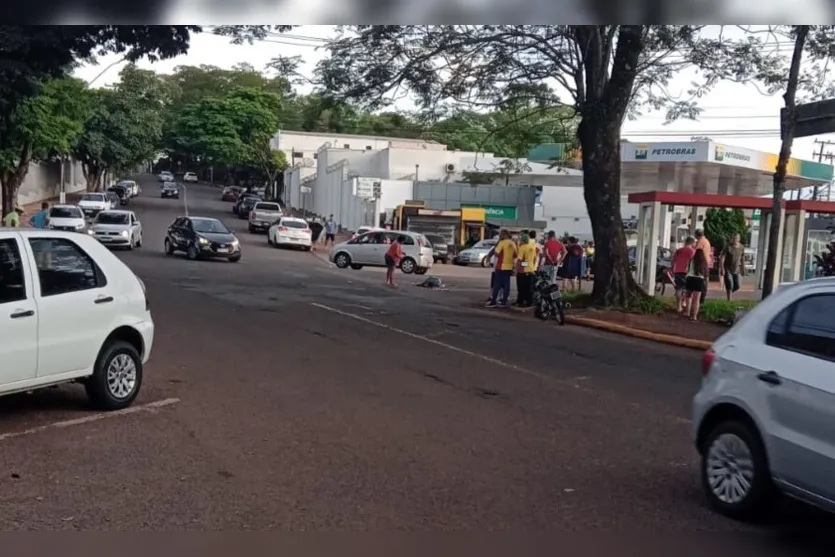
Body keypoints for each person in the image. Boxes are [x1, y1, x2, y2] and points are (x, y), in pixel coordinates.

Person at [486, 230, 517, 308]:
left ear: (504, 235)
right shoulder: (513, 243)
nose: (500, 236)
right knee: (506, 285)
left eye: (501, 235)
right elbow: (516, 255)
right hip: (509, 267)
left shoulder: (502, 243)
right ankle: (504, 302)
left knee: (497, 285)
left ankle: (493, 301)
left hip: (501, 266)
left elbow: (496, 253)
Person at [671, 237, 696, 314]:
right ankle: (684, 302)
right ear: (692, 243)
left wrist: (673, 268)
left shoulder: (679, 250)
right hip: (687, 272)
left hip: (678, 271)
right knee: (687, 289)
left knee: (678, 289)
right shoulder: (692, 251)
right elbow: (693, 262)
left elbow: (673, 260)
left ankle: (678, 307)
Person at [685, 248, 709, 322]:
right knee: (697, 300)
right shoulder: (704, 262)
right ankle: (694, 316)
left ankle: (687, 312)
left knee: (688, 297)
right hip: (699, 280)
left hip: (690, 278)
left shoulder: (691, 260)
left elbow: (687, 269)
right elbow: (706, 274)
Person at [719, 233, 746, 301]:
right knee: (729, 284)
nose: (735, 240)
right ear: (731, 239)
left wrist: (743, 268)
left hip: (736, 269)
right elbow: (722, 258)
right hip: (728, 268)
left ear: (739, 239)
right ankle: (729, 300)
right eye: (733, 238)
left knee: (737, 285)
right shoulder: (728, 247)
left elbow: (742, 258)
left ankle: (730, 292)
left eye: (736, 238)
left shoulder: (741, 247)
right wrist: (722, 268)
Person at [515, 233, 537, 306]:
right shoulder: (532, 247)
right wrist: (532, 266)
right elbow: (534, 258)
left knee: (521, 288)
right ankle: (529, 302)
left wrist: (516, 269)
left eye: (520, 239)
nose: (520, 241)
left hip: (523, 271)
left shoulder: (522, 247)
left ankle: (520, 302)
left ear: (523, 240)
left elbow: (520, 260)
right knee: (529, 288)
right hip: (530, 269)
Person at [694, 229, 712, 304]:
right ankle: (703, 296)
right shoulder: (706, 241)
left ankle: (701, 297)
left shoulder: (700, 242)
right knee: (705, 279)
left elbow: (695, 252)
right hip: (706, 262)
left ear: (696, 235)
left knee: (701, 280)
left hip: (701, 263)